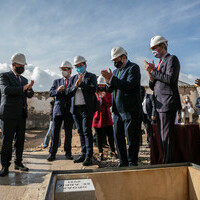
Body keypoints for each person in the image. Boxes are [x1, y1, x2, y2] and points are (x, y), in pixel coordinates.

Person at [144, 35, 182, 164]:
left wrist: (154, 71)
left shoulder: (172, 59)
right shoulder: (160, 64)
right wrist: (150, 74)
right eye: (152, 49)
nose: (154, 51)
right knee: (162, 137)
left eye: (155, 47)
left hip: (168, 103)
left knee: (167, 137)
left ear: (163, 46)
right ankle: (165, 161)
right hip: (160, 104)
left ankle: (168, 164)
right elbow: (153, 85)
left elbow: (170, 79)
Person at [101, 46, 141, 167]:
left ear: (124, 57)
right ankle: (123, 161)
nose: (115, 63)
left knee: (131, 138)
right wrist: (108, 81)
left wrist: (112, 79)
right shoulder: (116, 72)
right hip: (117, 111)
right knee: (118, 137)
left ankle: (132, 161)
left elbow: (129, 85)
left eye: (116, 60)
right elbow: (110, 88)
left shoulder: (133, 68)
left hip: (130, 109)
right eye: (113, 61)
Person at [0, 53, 34, 176]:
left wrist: (29, 89)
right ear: (13, 64)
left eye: (23, 65)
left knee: (20, 140)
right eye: (20, 65)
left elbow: (29, 94)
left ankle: (18, 162)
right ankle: (5, 166)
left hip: (21, 114)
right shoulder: (4, 76)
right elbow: (6, 90)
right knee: (7, 141)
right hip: (8, 114)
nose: (22, 67)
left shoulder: (24, 80)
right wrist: (24, 88)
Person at [66, 56, 98, 166]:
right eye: (76, 66)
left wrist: (82, 84)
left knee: (86, 131)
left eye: (80, 65)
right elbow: (68, 92)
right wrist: (75, 85)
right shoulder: (73, 78)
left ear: (85, 65)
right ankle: (83, 153)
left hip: (86, 108)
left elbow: (93, 89)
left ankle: (89, 155)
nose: (79, 68)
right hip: (75, 109)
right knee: (80, 131)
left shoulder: (91, 76)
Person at [47, 61, 74, 161]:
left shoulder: (74, 81)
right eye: (62, 69)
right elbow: (50, 93)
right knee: (54, 132)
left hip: (69, 110)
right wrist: (57, 90)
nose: (63, 71)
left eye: (65, 69)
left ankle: (68, 153)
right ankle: (52, 153)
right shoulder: (56, 81)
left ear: (70, 70)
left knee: (68, 133)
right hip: (58, 110)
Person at [92, 75, 117, 161]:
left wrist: (104, 97)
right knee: (99, 136)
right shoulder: (94, 94)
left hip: (106, 117)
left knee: (110, 135)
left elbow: (109, 104)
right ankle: (100, 152)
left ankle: (113, 151)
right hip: (97, 117)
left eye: (103, 85)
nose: (101, 87)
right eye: (100, 85)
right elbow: (94, 104)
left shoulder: (108, 93)